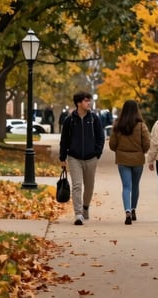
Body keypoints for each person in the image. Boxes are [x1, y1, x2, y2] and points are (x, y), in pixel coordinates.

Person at [59, 91, 106, 225]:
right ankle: (78, 213)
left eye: (89, 101)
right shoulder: (70, 120)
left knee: (89, 186)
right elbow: (64, 140)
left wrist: (97, 153)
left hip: (91, 158)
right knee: (77, 186)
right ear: (79, 103)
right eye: (86, 101)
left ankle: (85, 206)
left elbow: (100, 137)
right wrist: (62, 157)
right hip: (74, 158)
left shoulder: (94, 119)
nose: (88, 103)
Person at [109, 100, 151, 225]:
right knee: (135, 185)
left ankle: (127, 211)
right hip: (138, 160)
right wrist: (141, 151)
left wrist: (119, 150)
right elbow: (147, 143)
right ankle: (133, 210)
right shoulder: (141, 126)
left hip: (122, 160)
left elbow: (112, 145)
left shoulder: (118, 125)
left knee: (126, 186)